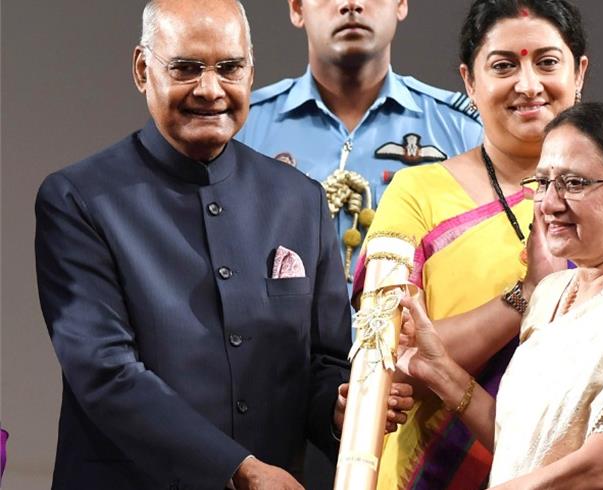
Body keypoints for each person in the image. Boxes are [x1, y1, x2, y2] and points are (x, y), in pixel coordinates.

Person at [358, 1, 603, 488]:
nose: (528, 84)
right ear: (469, 81)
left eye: (546, 61)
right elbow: (523, 437)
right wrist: (451, 365)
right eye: (504, 65)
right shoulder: (426, 200)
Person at [34, 1, 413, 489]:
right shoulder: (80, 199)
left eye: (229, 68)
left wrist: (342, 407)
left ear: (250, 72)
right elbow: (104, 373)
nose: (210, 90)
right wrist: (240, 470)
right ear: (142, 70)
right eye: (187, 68)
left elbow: (324, 361)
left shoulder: (299, 200)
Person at [399, 102, 603, 489]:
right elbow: (526, 449)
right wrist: (441, 371)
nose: (550, 204)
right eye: (543, 182)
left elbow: (601, 470)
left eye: (574, 183)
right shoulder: (555, 292)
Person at [234, 0, 484, 281]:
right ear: (296, 8)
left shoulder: (463, 130)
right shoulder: (241, 127)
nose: (350, 4)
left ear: (401, 4)